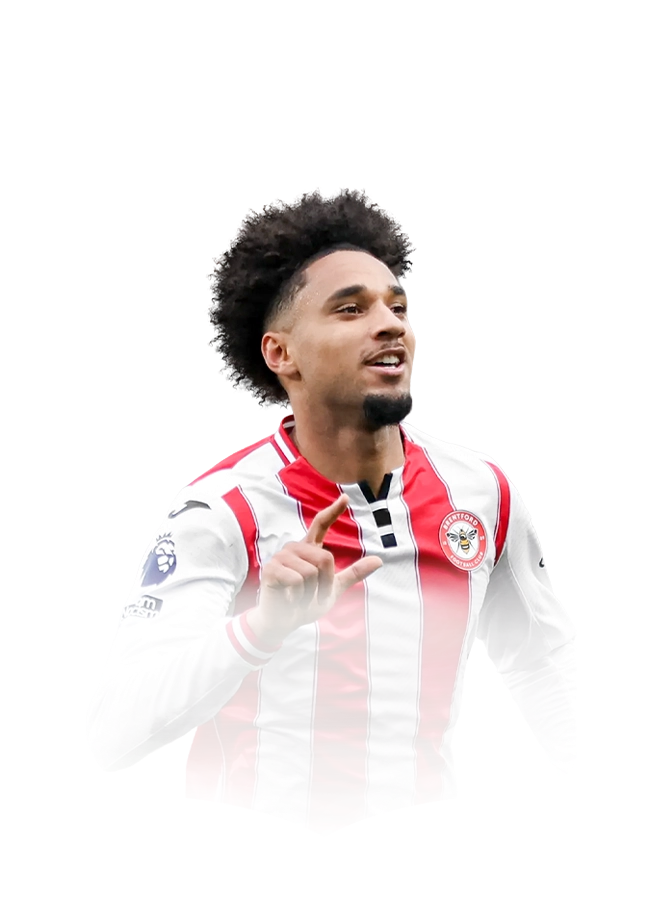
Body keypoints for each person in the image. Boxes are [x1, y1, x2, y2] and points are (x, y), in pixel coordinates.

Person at [87, 187, 578, 831]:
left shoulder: (480, 492)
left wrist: (602, 796)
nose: (391, 323)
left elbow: (540, 660)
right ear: (281, 354)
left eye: (396, 306)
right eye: (350, 309)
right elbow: (111, 734)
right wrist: (258, 631)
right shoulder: (221, 510)